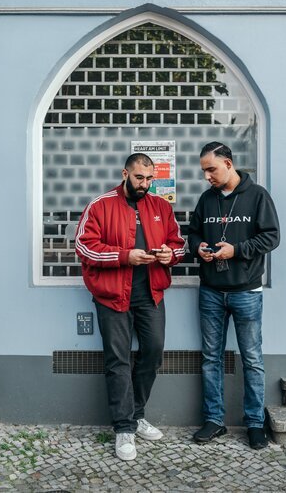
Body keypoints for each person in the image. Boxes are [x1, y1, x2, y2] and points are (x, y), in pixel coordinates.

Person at [75, 153, 186, 461]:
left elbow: (179, 244)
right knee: (118, 361)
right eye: (140, 177)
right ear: (125, 173)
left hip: (151, 295)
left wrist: (169, 255)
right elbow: (84, 247)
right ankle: (124, 427)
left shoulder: (161, 207)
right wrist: (125, 256)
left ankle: (136, 415)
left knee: (153, 352)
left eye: (151, 179)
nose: (145, 184)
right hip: (112, 297)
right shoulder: (100, 205)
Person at [187, 142, 280, 450]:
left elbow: (271, 236)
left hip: (246, 292)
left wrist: (237, 250)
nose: (207, 176)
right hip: (211, 291)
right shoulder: (206, 199)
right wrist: (198, 248)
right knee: (210, 359)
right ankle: (214, 420)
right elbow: (194, 232)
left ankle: (255, 424)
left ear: (228, 163)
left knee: (252, 360)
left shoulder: (257, 196)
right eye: (203, 170)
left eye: (211, 169)